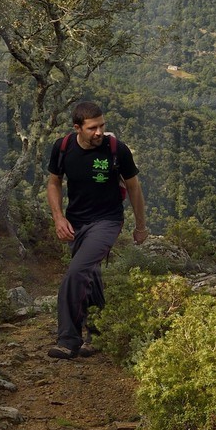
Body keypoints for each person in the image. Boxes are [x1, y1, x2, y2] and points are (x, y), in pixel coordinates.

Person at [46, 100, 148, 360]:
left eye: (102, 125)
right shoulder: (63, 147)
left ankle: (68, 339)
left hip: (108, 221)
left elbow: (134, 188)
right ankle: (99, 331)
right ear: (77, 127)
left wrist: (141, 226)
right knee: (91, 274)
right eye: (93, 128)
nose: (100, 132)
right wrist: (58, 218)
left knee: (77, 272)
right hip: (76, 221)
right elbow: (54, 183)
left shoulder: (116, 150)